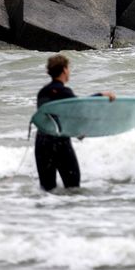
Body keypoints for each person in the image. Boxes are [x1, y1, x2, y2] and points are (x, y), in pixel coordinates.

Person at [34, 54, 116, 192]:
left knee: (47, 188)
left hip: (42, 143)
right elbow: (80, 107)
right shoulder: (63, 91)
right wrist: (102, 95)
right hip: (59, 142)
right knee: (73, 186)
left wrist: (76, 132)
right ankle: (70, 212)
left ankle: (46, 212)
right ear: (65, 70)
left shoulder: (42, 92)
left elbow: (51, 118)